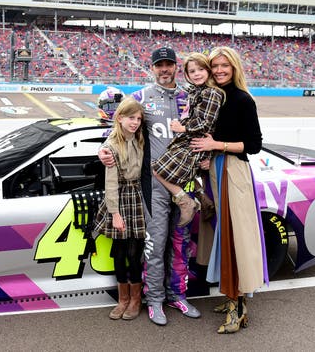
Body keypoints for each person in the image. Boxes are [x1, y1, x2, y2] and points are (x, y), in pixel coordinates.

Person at [99, 46, 199, 326]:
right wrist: (103, 149)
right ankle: (154, 300)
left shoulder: (188, 97)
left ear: (176, 67)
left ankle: (177, 295)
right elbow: (118, 125)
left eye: (169, 64)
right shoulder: (141, 97)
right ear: (152, 68)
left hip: (184, 184)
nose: (164, 69)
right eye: (159, 65)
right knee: (154, 248)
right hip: (153, 187)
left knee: (180, 246)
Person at [190, 46, 269, 334]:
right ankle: (231, 297)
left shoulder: (242, 99)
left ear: (234, 67)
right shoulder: (213, 97)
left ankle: (238, 307)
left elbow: (254, 144)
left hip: (233, 172)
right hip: (214, 171)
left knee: (235, 239)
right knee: (222, 237)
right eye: (215, 66)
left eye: (225, 65)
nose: (220, 70)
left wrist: (216, 146)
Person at [152, 53, 224, 227]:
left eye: (201, 69)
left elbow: (206, 123)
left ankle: (186, 202)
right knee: (181, 174)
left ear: (208, 70)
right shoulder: (197, 91)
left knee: (156, 169)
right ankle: (202, 199)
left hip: (194, 143)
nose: (197, 74)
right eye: (192, 71)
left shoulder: (211, 92)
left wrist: (182, 128)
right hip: (191, 141)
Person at [92, 96, 145, 321]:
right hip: (120, 200)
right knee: (120, 252)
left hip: (139, 197)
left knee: (135, 253)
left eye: (139, 119)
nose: (135, 122)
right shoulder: (112, 145)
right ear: (120, 118)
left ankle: (135, 299)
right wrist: (115, 214)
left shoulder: (143, 138)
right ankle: (123, 299)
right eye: (131, 118)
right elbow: (111, 183)